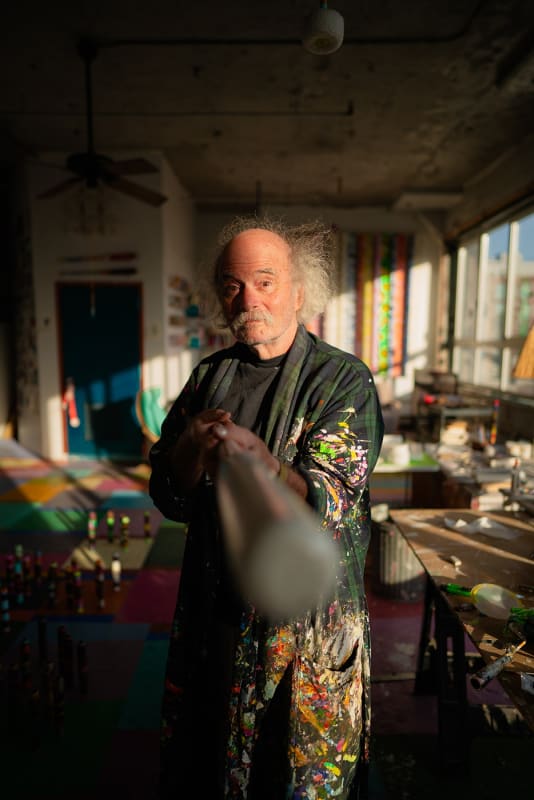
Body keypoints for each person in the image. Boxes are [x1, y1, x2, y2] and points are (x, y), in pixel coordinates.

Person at [149, 216, 384, 800]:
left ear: (301, 292)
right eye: (232, 284)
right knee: (211, 768)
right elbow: (168, 493)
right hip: (219, 616)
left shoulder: (342, 380)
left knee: (296, 776)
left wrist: (266, 464)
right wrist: (187, 452)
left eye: (265, 280)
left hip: (304, 626)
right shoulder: (210, 377)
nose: (247, 298)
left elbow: (328, 494)